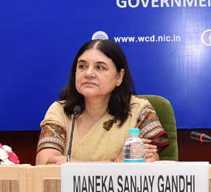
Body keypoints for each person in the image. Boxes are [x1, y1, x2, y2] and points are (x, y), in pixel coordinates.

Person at [36, 39, 168, 164]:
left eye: (100, 67)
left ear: (119, 76)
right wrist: (115, 163)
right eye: (82, 66)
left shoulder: (139, 110)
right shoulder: (60, 111)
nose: (88, 73)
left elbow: (149, 161)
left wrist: (72, 165)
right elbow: (46, 164)